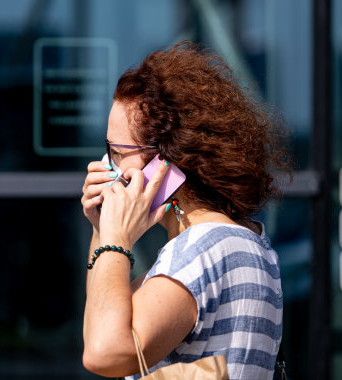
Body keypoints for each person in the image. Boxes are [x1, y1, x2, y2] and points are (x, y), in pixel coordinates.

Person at [80, 41, 291, 380]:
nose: (106, 165)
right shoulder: (245, 242)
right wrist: (102, 231)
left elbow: (103, 353)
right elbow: (100, 322)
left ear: (164, 162)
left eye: (116, 152)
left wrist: (117, 240)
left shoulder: (199, 251)